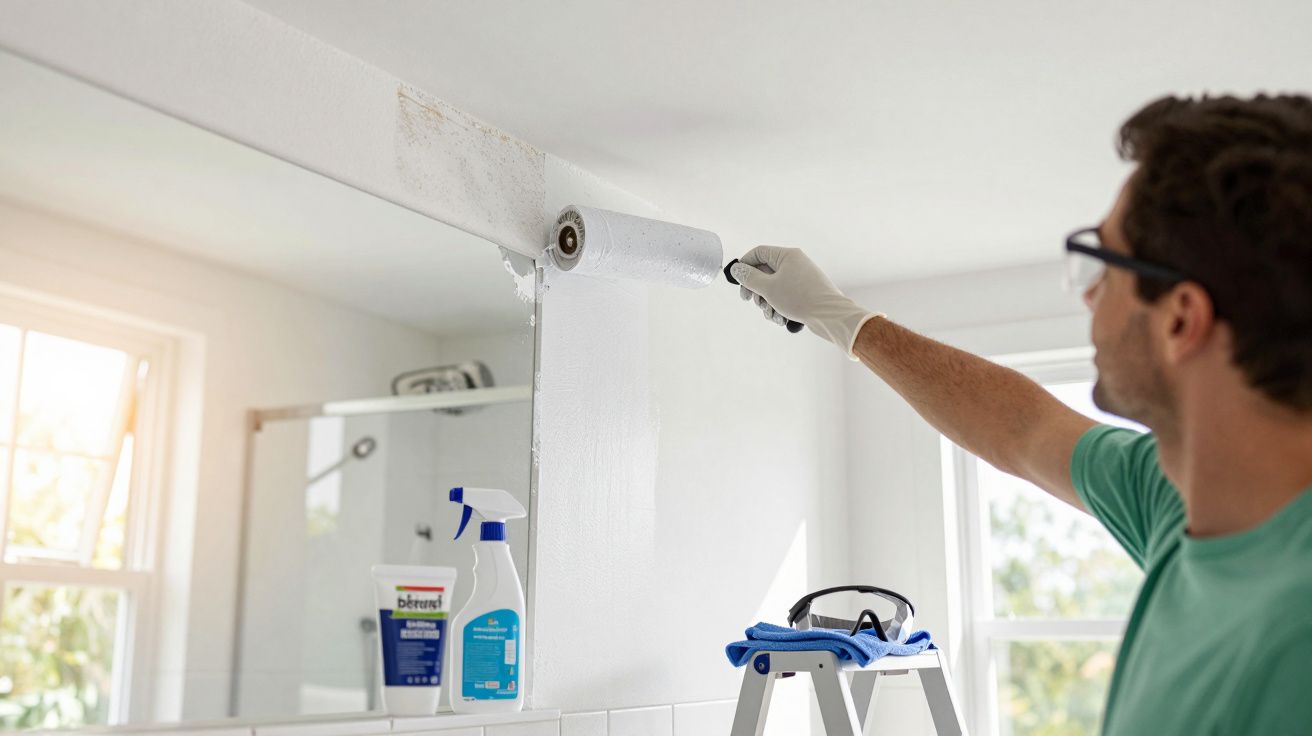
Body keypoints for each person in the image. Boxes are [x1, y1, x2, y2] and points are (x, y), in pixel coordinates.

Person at [729, 94, 1312, 735]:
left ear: (1180, 320)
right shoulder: (1181, 500)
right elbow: (1023, 426)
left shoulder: (1293, 637)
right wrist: (841, 318)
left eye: (1106, 266)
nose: (1088, 294)